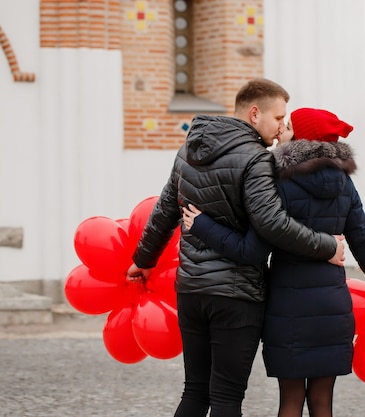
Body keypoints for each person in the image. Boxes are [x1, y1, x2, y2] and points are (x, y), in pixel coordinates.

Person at [126, 79, 346, 417]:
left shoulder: (188, 149)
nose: (280, 130)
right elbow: (272, 224)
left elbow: (165, 209)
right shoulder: (257, 160)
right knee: (227, 397)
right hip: (236, 296)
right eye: (278, 118)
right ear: (255, 113)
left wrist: (143, 258)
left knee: (195, 392)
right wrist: (326, 245)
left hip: (191, 291)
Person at [182, 108, 365, 417]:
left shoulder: (277, 184)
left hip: (286, 309)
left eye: (288, 126)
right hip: (332, 309)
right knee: (322, 401)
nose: (281, 132)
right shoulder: (345, 185)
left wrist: (203, 225)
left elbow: (252, 250)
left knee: (289, 400)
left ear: (302, 137)